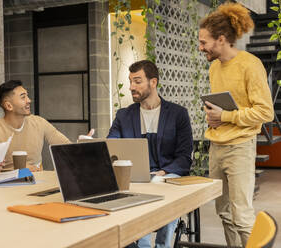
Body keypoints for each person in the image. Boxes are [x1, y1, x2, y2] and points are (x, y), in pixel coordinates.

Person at [198, 2, 274, 247]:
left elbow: (266, 112)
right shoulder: (213, 68)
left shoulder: (250, 65)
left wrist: (226, 117)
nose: (200, 48)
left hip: (240, 147)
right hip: (216, 147)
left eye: (203, 42)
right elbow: (224, 106)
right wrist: (213, 115)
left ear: (221, 39)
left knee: (241, 217)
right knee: (224, 214)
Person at [107, 60, 193, 248]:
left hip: (166, 176)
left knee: (163, 189)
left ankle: (162, 245)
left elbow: (184, 157)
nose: (131, 87)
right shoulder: (123, 115)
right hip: (134, 177)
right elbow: (111, 147)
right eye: (130, 81)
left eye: (137, 81)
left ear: (153, 82)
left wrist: (161, 174)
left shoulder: (178, 114)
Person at [0, 80, 72, 171]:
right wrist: (18, 171)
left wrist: (84, 142)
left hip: (39, 182)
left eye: (27, 96)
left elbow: (67, 147)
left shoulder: (39, 123)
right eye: (23, 97)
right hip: (8, 185)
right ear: (9, 106)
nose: (29, 100)